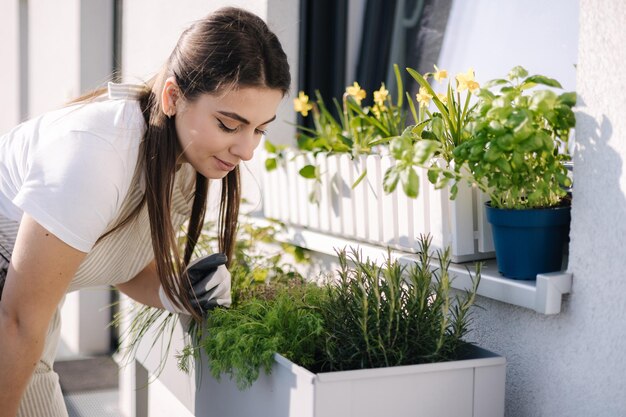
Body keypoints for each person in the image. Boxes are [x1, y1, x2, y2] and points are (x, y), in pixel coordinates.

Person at [0, 6, 290, 417]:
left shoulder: (185, 164)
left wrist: (184, 293)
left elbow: (122, 266)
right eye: (229, 125)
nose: (246, 150)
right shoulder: (97, 153)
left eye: (260, 129)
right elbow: (16, 320)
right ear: (173, 97)